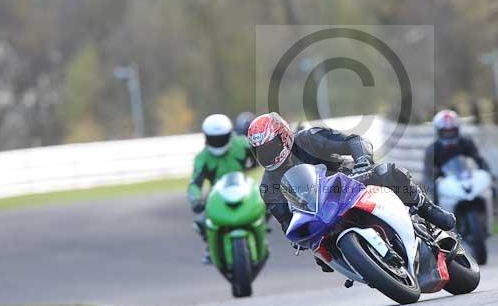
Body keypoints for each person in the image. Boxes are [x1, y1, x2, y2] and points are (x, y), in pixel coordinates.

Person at [247, 112, 456, 239]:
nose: (268, 154)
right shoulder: (267, 186)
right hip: (321, 212)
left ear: (284, 137)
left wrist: (362, 161)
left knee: (387, 172)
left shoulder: (309, 139)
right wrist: (303, 239)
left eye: (271, 147)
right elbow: (287, 222)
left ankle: (427, 208)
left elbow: (354, 141)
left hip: (349, 181)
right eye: (261, 151)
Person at [187, 114, 257, 262]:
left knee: (268, 203)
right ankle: (212, 248)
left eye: (221, 138)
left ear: (229, 134)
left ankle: (261, 232)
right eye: (214, 139)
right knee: (200, 223)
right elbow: (195, 183)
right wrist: (195, 199)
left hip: (244, 190)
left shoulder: (242, 144)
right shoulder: (202, 158)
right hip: (217, 197)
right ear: (206, 138)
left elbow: (261, 154)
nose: (217, 142)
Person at [423, 109, 492, 198]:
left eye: (452, 131)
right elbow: (427, 173)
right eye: (446, 132)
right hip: (445, 184)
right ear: (439, 131)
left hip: (469, 179)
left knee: (489, 191)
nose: (449, 134)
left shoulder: (466, 143)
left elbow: (479, 160)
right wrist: (432, 187)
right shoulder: (432, 149)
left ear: (457, 130)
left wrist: (488, 174)